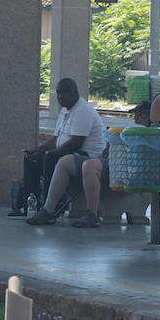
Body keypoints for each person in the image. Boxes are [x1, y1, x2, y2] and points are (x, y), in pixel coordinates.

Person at [28, 101, 154, 227]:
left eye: (138, 114)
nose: (135, 117)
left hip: (122, 167)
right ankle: (48, 210)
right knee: (65, 161)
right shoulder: (133, 130)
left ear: (146, 115)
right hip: (109, 160)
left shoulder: (150, 133)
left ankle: (91, 214)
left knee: (90, 165)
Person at [19, 78, 106, 218]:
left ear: (74, 92)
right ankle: (29, 204)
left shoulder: (83, 110)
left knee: (50, 158)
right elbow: (56, 139)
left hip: (86, 155)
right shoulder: (65, 111)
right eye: (58, 93)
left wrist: (48, 153)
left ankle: (51, 207)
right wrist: (38, 149)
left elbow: (75, 142)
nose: (60, 97)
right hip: (69, 150)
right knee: (31, 158)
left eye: (64, 92)